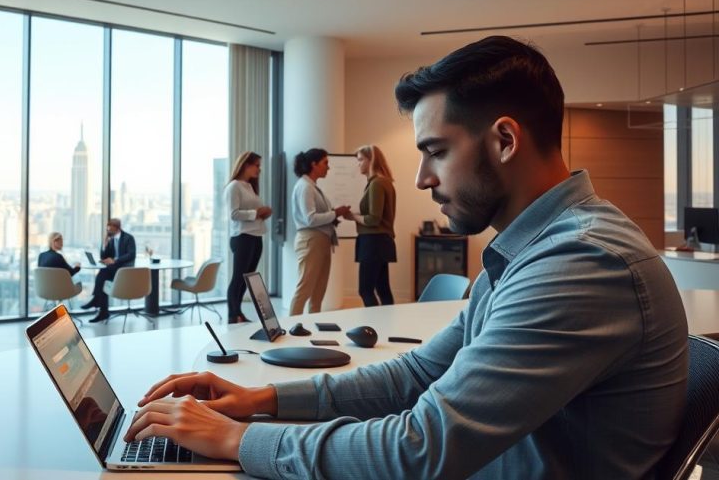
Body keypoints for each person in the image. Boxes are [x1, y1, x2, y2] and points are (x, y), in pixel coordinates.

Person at [122, 36, 688, 478]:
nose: (420, 178)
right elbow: (420, 373)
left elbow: (419, 452)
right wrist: (261, 399)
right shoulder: (531, 250)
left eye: (435, 152)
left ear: (506, 140)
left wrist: (235, 440)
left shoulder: (580, 263)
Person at [289, 148, 352, 315]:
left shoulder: (312, 187)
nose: (328, 167)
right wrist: (335, 213)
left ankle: (311, 326)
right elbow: (310, 219)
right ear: (313, 164)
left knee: (318, 291)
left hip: (320, 241)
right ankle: (291, 328)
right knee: (305, 288)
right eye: (325, 163)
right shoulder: (305, 187)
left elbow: (315, 217)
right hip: (311, 240)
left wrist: (334, 216)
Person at [224, 151, 272, 324]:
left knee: (247, 278)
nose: (259, 169)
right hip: (242, 237)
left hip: (256, 236)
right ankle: (232, 315)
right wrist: (256, 213)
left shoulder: (250, 186)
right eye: (257, 165)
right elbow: (233, 214)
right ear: (246, 165)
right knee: (238, 277)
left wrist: (262, 214)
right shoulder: (234, 187)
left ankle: (238, 312)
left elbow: (252, 213)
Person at [351, 144, 397, 306]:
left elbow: (373, 219)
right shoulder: (384, 182)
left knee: (365, 290)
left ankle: (375, 326)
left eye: (361, 160)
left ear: (371, 160)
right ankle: (387, 324)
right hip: (380, 241)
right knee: (383, 288)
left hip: (373, 242)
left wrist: (353, 216)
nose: (359, 164)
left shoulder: (377, 183)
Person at [84, 218, 136, 323]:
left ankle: (96, 301)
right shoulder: (111, 239)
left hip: (125, 270)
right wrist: (105, 244)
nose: (108, 232)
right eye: (107, 230)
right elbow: (104, 256)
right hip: (114, 269)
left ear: (117, 228)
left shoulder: (128, 238)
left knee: (102, 274)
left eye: (110, 230)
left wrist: (115, 260)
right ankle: (103, 312)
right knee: (102, 279)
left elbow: (131, 255)